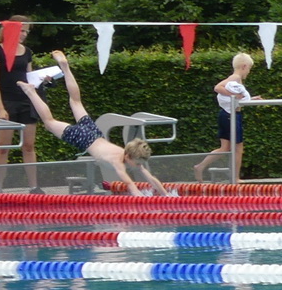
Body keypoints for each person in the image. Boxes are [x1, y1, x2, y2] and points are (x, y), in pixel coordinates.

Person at [18, 51, 169, 194]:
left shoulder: (130, 156)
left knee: (76, 102)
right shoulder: (117, 161)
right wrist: (141, 200)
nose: (138, 166)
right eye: (137, 163)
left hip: (94, 133)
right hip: (84, 139)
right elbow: (130, 185)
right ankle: (30, 91)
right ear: (129, 157)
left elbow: (151, 179)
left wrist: (167, 196)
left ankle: (65, 67)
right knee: (49, 123)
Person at [0, 15, 39, 188]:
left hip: (25, 101)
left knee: (29, 146)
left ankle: (33, 187)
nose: (24, 34)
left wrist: (42, 81)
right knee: (3, 147)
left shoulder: (27, 52)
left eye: (26, 31)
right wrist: (0, 107)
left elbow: (30, 78)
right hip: (7, 101)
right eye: (22, 30)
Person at [195, 52, 256, 182]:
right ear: (244, 66)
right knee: (238, 148)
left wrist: (250, 98)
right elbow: (218, 87)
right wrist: (233, 94)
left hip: (226, 114)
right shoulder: (235, 78)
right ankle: (235, 177)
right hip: (231, 116)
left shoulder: (235, 79)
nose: (249, 72)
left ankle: (200, 166)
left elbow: (237, 98)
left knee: (225, 148)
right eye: (249, 69)